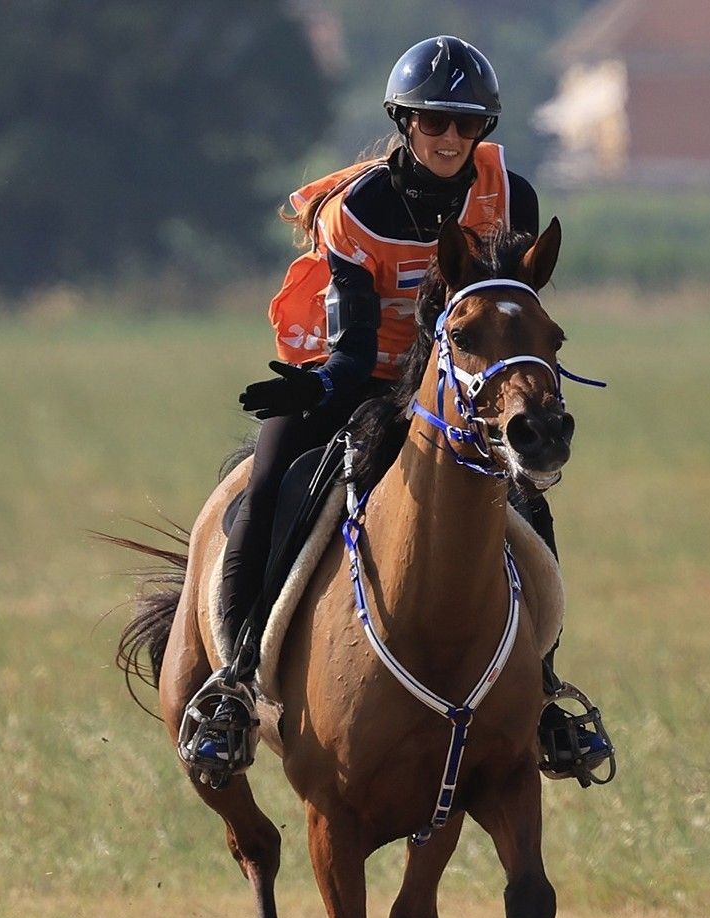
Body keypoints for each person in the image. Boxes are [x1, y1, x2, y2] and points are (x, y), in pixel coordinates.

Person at [181, 35, 612, 786]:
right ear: (404, 122)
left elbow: (511, 311)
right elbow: (350, 353)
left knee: (530, 506)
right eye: (433, 121)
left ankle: (542, 695)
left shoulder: (511, 194)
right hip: (356, 376)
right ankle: (235, 684)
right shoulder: (356, 211)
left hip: (461, 387)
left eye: (466, 123)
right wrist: (321, 393)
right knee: (269, 484)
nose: (450, 137)